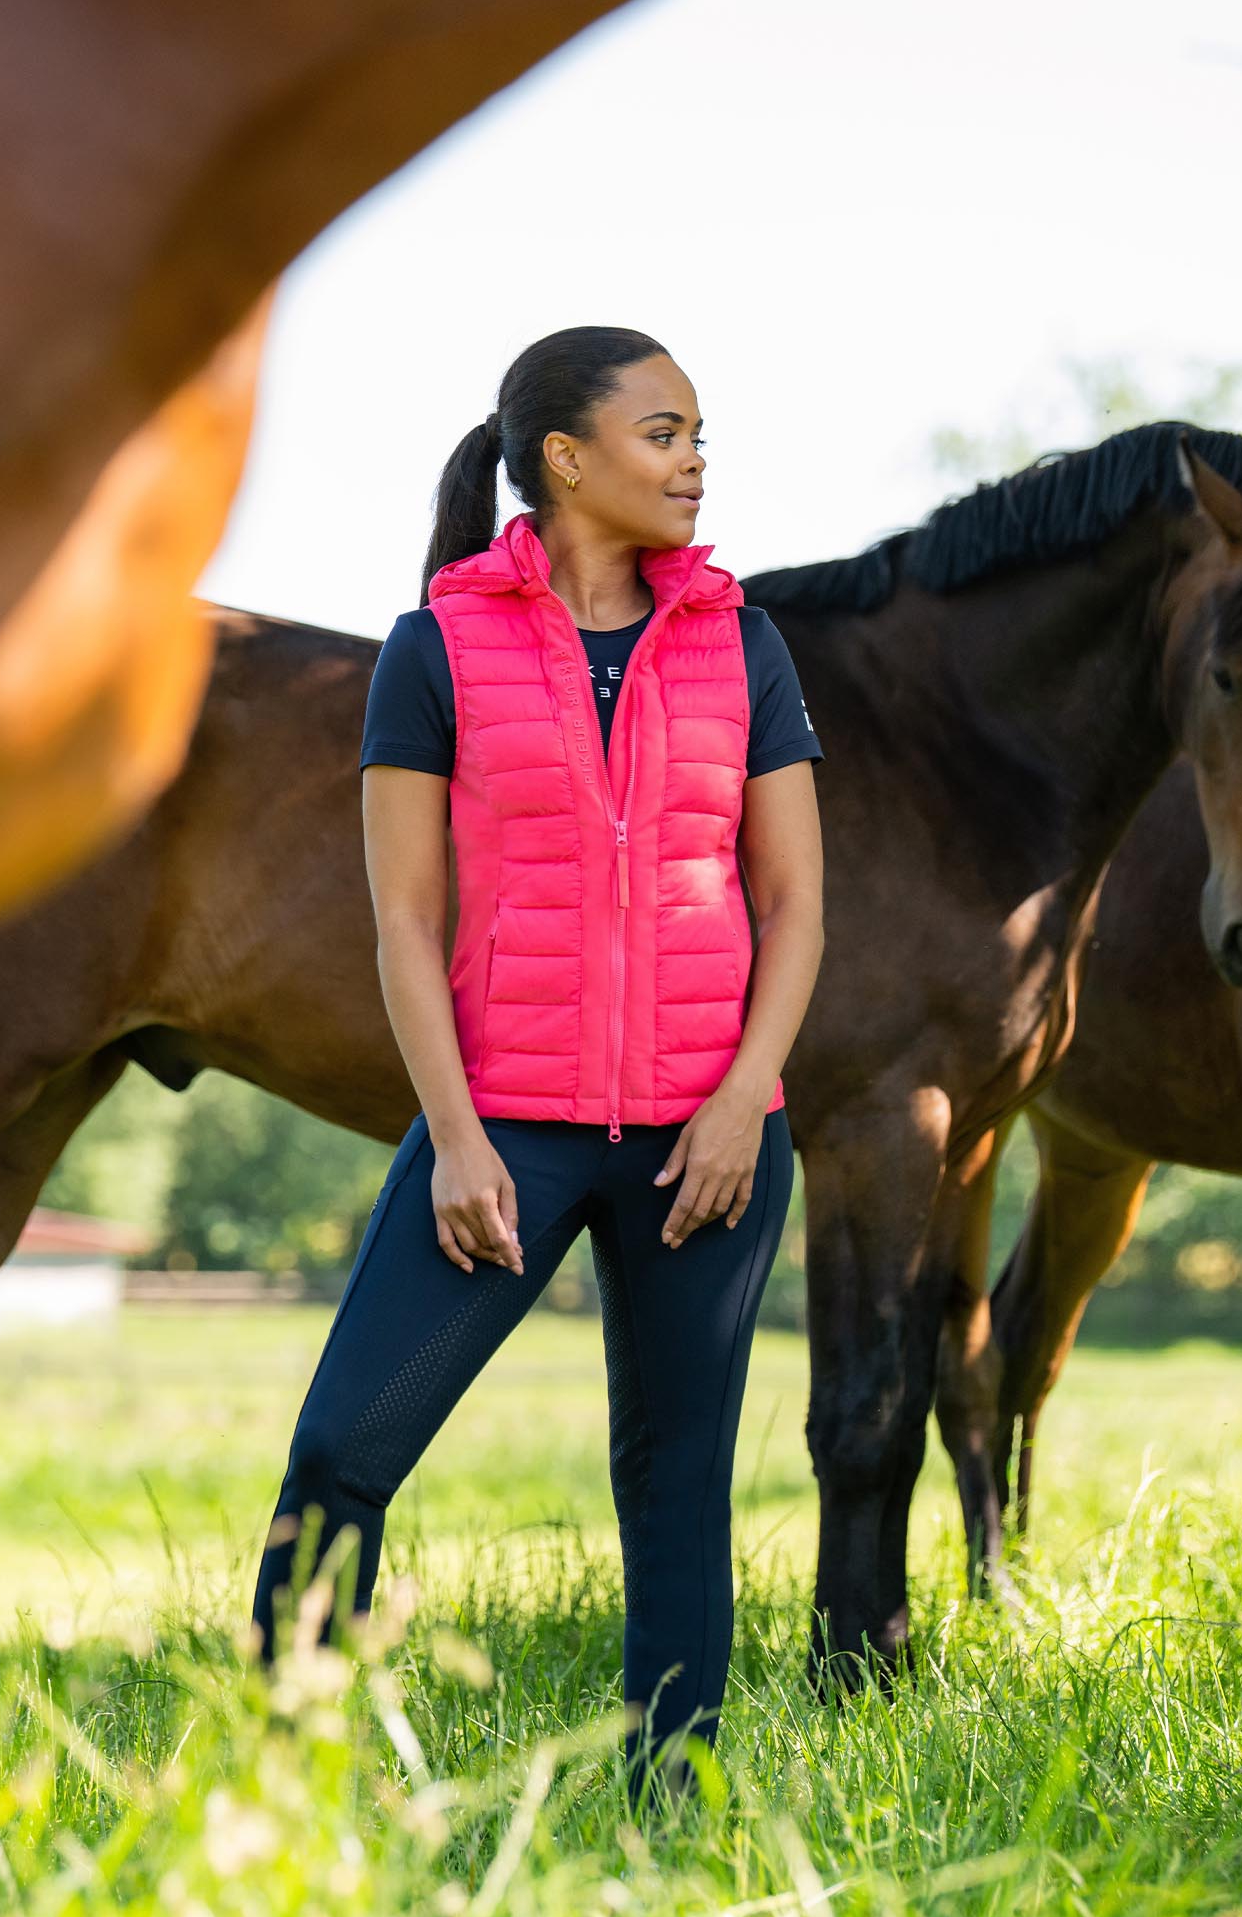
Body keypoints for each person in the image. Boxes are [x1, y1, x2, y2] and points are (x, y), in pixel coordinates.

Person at [251, 325, 824, 1803]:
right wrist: (454, 1139)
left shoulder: (741, 644)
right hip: (506, 1130)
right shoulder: (438, 648)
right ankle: (291, 1785)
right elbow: (405, 916)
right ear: (565, 459)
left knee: (678, 1486)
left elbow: (795, 904)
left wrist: (741, 1108)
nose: (696, 459)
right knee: (343, 1455)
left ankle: (668, 1795)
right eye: (664, 432)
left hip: (708, 1141)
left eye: (699, 433)